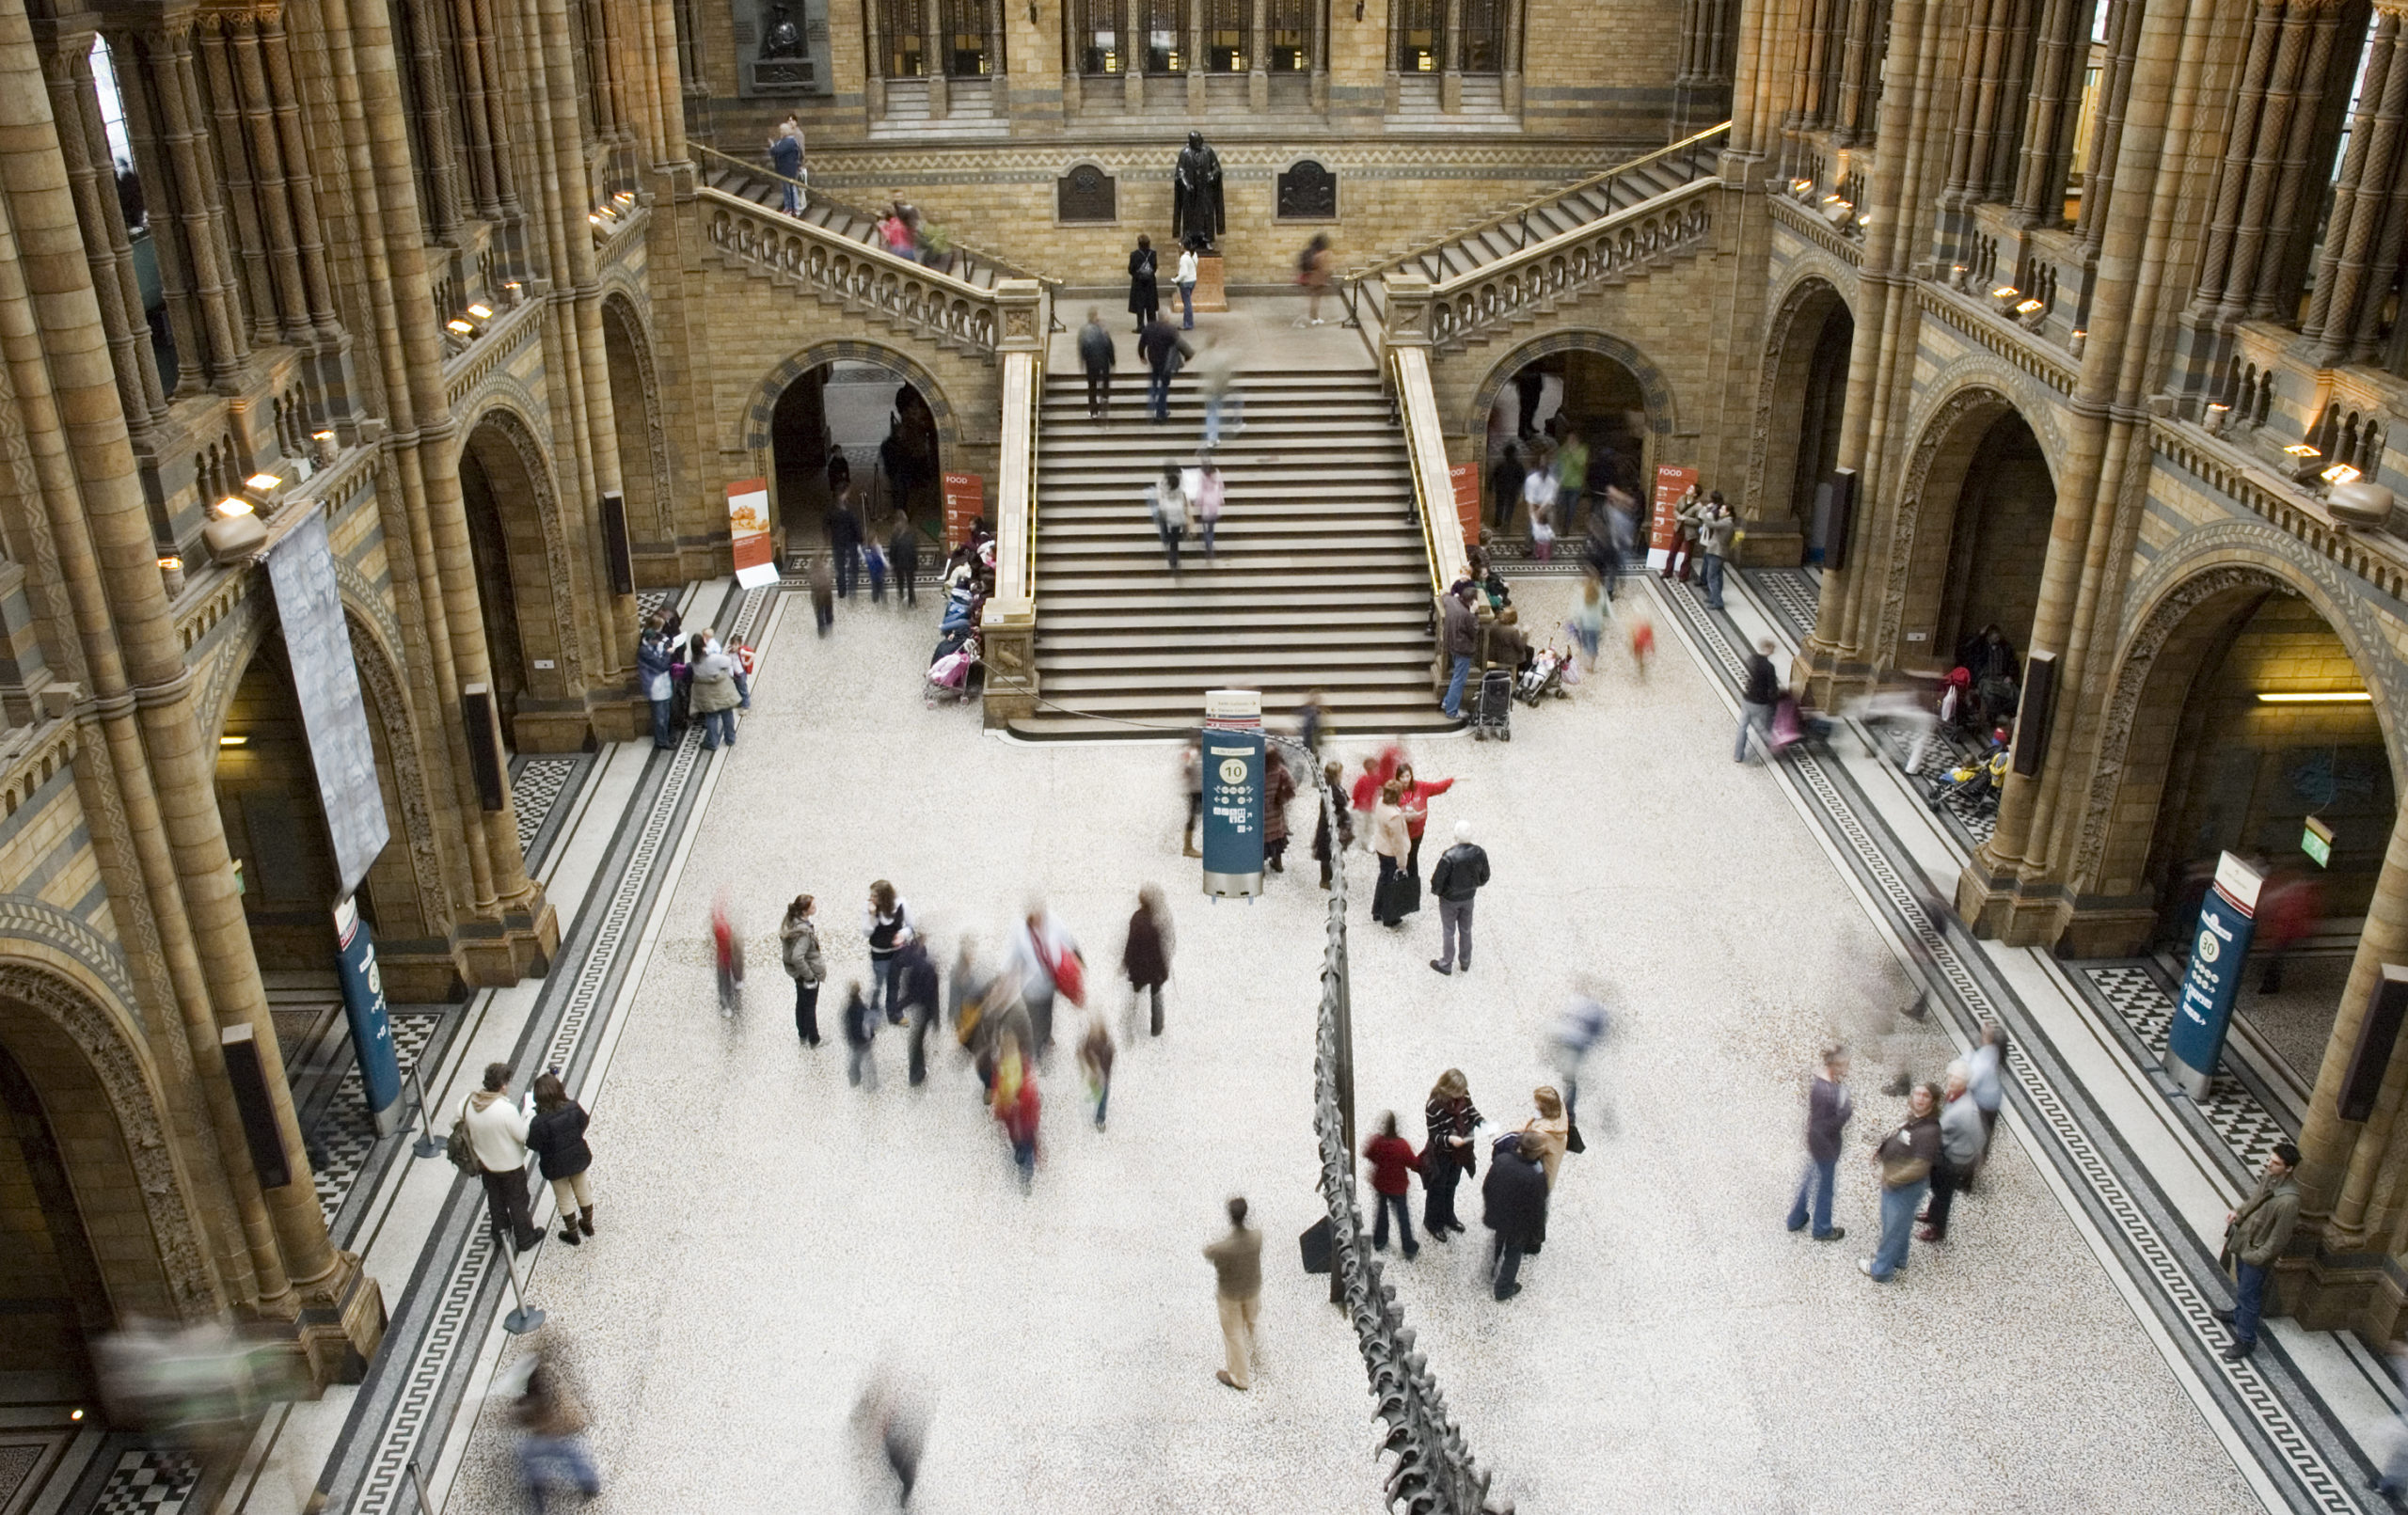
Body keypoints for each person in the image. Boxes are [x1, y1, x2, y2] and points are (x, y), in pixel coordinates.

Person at [2217, 1143, 2302, 1360]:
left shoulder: (2289, 1201)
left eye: (2275, 1163)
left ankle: (2246, 1340)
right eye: (2270, 1160)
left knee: (2250, 1295)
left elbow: (2279, 1238)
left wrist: (2257, 1257)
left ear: (2289, 1168)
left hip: (2256, 1253)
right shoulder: (2270, 1178)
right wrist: (2239, 1212)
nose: (2269, 1164)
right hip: (2246, 1241)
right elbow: (2255, 1199)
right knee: (2243, 1287)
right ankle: (2238, 1315)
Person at [1861, 1081, 1941, 1282]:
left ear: (1933, 1102)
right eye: (1917, 1094)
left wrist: (1892, 1179)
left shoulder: (1930, 1131)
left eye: (1925, 1096)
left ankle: (1881, 1269)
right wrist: (1882, 1151)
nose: (1919, 1098)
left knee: (1893, 1227)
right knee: (1901, 1224)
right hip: (1899, 1184)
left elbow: (1920, 1166)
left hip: (1904, 1187)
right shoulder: (1915, 1120)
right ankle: (1899, 1258)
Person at [464, 1063, 544, 1253]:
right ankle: (525, 1238)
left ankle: (500, 1233)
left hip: (485, 1164)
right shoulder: (505, 1110)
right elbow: (522, 1135)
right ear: (503, 1086)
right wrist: (529, 1116)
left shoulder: (469, 1102)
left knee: (496, 1198)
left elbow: (456, 1122)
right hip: (510, 1165)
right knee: (518, 1200)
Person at [513, 1348, 601, 1510]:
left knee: (531, 1456)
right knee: (574, 1457)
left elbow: (541, 1417)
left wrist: (523, 1409)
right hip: (570, 1429)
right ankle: (589, 1484)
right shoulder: (550, 1375)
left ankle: (538, 1498)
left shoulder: (540, 1389)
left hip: (558, 1433)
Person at [1784, 1044, 1852, 1243]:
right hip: (1826, 1146)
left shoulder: (1821, 1083)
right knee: (1825, 1188)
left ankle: (1796, 1218)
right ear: (1836, 1065)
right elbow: (1829, 1123)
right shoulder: (1829, 1091)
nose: (1847, 1069)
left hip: (1817, 1142)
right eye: (1845, 1065)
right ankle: (1822, 1228)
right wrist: (1846, 1109)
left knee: (1810, 1178)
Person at [527, 1073, 594, 1247]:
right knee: (582, 1189)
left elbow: (533, 1144)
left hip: (554, 1166)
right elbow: (584, 1121)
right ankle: (587, 1224)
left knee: (563, 1197)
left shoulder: (538, 1122)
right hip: (577, 1157)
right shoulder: (572, 1107)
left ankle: (572, 1234)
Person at [1919, 1061, 1984, 1242]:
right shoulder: (1954, 1096)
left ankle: (1938, 1229)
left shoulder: (1967, 1110)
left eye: (1957, 1078)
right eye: (1951, 1077)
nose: (1952, 1081)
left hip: (1953, 1160)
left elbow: (1978, 1137)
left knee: (1943, 1194)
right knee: (1938, 1189)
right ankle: (1932, 1214)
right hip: (1946, 1152)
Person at [1203, 1196, 1263, 1389]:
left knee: (1233, 1334)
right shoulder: (1257, 1237)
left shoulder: (1223, 1249)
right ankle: (1256, 1353)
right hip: (1252, 1289)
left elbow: (1208, 1253)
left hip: (1230, 1295)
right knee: (1252, 1322)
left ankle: (1239, 1377)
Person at [1482, 1130, 1548, 1301]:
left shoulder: (1501, 1160)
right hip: (1519, 1224)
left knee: (1499, 1238)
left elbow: (1487, 1187)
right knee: (1514, 1252)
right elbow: (1538, 1207)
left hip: (1499, 1214)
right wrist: (1538, 1232)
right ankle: (1503, 1288)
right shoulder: (1536, 1176)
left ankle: (1494, 1261)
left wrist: (1491, 1208)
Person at [1008, 906, 1082, 1056]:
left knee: (1043, 1015)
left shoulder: (1049, 926)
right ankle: (1040, 1048)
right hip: (1037, 988)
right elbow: (1013, 962)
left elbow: (1069, 942)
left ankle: (1045, 1039)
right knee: (1040, 1018)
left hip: (1042, 986)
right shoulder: (1026, 934)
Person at [1422, 1069, 1481, 1237]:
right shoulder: (1433, 1106)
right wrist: (1449, 1139)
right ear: (1447, 1089)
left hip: (1460, 1152)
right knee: (1437, 1189)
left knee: (1452, 1184)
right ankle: (1433, 1223)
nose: (1462, 1094)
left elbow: (1471, 1111)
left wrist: (1481, 1122)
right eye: (1458, 1091)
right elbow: (1433, 1135)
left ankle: (1449, 1216)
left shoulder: (1463, 1095)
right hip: (1442, 1154)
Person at [1428, 819, 1488, 976]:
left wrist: (1438, 892)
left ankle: (1446, 963)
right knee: (1466, 929)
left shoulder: (1449, 856)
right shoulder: (1479, 853)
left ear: (1455, 836)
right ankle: (1465, 961)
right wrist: (1475, 885)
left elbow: (1438, 880)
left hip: (1449, 899)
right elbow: (1485, 875)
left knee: (1449, 931)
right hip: (1469, 897)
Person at [1362, 1112, 1421, 1257]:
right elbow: (1413, 1163)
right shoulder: (1402, 1146)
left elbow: (1367, 1153)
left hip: (1381, 1183)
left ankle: (1380, 1240)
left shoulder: (1377, 1142)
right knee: (1403, 1215)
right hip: (1399, 1187)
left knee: (1381, 1212)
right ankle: (1408, 1245)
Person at [1120, 886, 1173, 1036]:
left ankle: (1128, 1023)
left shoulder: (1137, 918)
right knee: (1156, 995)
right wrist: (1166, 965)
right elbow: (1167, 943)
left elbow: (1131, 944)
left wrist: (1125, 962)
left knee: (1135, 994)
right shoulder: (1160, 918)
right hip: (1156, 966)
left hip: (1139, 967)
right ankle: (1157, 1027)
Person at [894, 929, 941, 1085]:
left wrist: (899, 1004)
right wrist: (936, 1018)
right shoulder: (928, 967)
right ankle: (917, 1074)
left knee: (916, 1042)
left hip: (919, 1007)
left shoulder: (912, 965)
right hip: (925, 1008)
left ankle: (917, 1073)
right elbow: (934, 994)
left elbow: (910, 992)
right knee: (917, 1042)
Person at [1394, 762, 1455, 878]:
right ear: (1398, 778)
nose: (1405, 779)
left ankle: (1412, 882)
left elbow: (1437, 787)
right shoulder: (1394, 791)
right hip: (1400, 833)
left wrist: (1452, 781)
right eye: (1402, 777)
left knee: (1412, 858)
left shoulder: (1421, 787)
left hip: (1416, 834)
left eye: (1408, 776)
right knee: (1399, 856)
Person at [780, 894, 826, 1047]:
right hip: (807, 973)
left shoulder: (792, 921)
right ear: (805, 911)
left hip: (797, 974)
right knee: (810, 1006)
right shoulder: (804, 933)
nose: (815, 908)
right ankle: (814, 1039)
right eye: (812, 907)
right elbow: (797, 957)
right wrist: (810, 977)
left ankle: (803, 1033)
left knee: (801, 1002)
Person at [863, 880, 911, 1021]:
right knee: (877, 985)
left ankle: (894, 1013)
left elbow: (910, 926)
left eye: (875, 896)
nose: (871, 899)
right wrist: (872, 916)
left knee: (894, 985)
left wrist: (902, 934)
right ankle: (873, 1012)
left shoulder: (900, 905)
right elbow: (866, 931)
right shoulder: (869, 908)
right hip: (879, 954)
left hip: (896, 953)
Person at [1370, 780, 1415, 928]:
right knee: (1391, 885)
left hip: (1381, 846)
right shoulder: (1393, 816)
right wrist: (1402, 864)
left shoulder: (1380, 802)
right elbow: (1398, 843)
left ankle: (1377, 910)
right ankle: (1390, 916)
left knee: (1383, 878)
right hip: (1391, 852)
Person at [689, 639, 741, 750]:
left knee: (711, 717)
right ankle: (730, 739)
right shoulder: (713, 658)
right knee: (727, 714)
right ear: (704, 646)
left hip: (706, 693)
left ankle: (713, 742)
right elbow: (728, 661)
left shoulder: (694, 659)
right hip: (721, 690)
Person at [1519, 1085, 1572, 1190]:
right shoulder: (1559, 1113)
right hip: (1549, 1173)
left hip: (1539, 1181)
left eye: (1537, 1104)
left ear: (1545, 1108)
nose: (1535, 1105)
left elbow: (1526, 1148)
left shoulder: (1542, 1133)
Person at [1311, 759, 1353, 891]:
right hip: (1329, 830)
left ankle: (1333, 874)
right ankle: (1325, 880)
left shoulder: (1336, 787)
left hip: (1335, 828)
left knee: (1333, 853)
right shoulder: (1329, 792)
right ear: (1336, 775)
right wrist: (1346, 811)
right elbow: (1331, 814)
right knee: (1327, 856)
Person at [1737, 637, 1781, 764]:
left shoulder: (1752, 659)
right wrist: (1774, 702)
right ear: (1768, 648)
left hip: (1747, 699)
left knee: (1742, 727)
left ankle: (1737, 755)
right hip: (1760, 703)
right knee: (1760, 730)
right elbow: (1772, 688)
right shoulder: (1769, 667)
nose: (1773, 651)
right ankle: (1750, 758)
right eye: (1772, 648)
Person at [1193, 336, 1242, 445]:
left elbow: (1198, 369)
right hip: (1217, 389)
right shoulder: (1219, 357)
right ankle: (1236, 423)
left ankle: (1212, 438)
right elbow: (1226, 373)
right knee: (1234, 401)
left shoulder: (1203, 356)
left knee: (1212, 413)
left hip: (1207, 390)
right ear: (1215, 343)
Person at [1440, 580, 1479, 719]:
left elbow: (1444, 596)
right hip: (1463, 648)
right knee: (1459, 679)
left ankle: (1447, 701)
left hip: (1451, 644)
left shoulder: (1452, 602)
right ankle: (1451, 710)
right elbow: (1474, 631)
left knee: (1456, 677)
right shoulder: (1467, 615)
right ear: (1472, 601)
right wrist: (1473, 613)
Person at [1139, 312, 1186, 425]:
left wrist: (1142, 356)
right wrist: (1188, 355)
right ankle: (1161, 413)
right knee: (1164, 387)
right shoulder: (1170, 329)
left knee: (1154, 384)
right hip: (1165, 363)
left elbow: (1142, 343)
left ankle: (1152, 409)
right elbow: (1180, 344)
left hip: (1153, 361)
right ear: (1166, 318)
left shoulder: (1149, 327)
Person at [636, 616, 674, 749]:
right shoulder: (644, 652)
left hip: (664, 684)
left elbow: (665, 643)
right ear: (649, 640)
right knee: (660, 718)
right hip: (655, 687)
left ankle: (666, 737)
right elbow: (661, 666)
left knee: (666, 714)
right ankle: (661, 741)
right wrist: (667, 653)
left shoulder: (654, 645)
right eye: (656, 641)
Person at [827, 458, 863, 599]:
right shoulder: (849, 510)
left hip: (837, 542)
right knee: (852, 565)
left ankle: (842, 591)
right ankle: (851, 589)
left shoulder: (832, 509)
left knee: (840, 566)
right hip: (850, 541)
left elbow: (826, 523)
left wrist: (828, 536)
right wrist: (860, 539)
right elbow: (856, 525)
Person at [1695, 491, 1735, 610]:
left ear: (1727, 512)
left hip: (1717, 552)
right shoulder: (1726, 521)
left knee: (1712, 577)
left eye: (1722, 510)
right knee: (1717, 576)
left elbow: (1710, 524)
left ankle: (1718, 602)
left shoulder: (1726, 523)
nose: (1720, 511)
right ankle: (1714, 597)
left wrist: (1703, 511)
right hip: (1714, 550)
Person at [1149, 460, 1186, 574]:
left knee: (1164, 529)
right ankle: (1173, 561)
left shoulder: (1161, 482)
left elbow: (1159, 496)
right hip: (1177, 511)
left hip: (1165, 509)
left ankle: (1165, 540)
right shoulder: (1179, 481)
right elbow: (1182, 496)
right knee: (1175, 538)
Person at [1078, 1015, 1116, 1129]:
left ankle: (1100, 1118)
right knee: (1101, 1095)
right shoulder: (1089, 1044)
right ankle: (1100, 1118)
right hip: (1096, 1076)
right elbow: (1081, 1053)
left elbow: (1110, 1060)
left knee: (1103, 1098)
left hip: (1102, 1077)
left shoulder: (1106, 1047)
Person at [1078, 307, 1116, 419]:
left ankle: (1093, 410)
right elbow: (1109, 346)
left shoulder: (1084, 330)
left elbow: (1083, 348)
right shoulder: (1103, 329)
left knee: (1092, 387)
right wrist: (1112, 361)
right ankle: (1105, 397)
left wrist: (1083, 361)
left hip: (1091, 363)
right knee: (1105, 381)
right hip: (1103, 362)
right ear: (1095, 317)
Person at [841, 981, 879, 1089]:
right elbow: (868, 1026)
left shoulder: (848, 1009)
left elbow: (846, 1024)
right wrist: (871, 1036)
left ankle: (854, 1080)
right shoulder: (863, 1009)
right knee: (869, 1062)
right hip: (864, 1041)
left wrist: (848, 1037)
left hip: (854, 1041)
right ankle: (872, 1085)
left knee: (855, 1060)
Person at [710, 894, 743, 1016]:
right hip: (724, 959)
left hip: (725, 958)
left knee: (724, 982)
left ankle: (726, 1005)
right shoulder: (723, 927)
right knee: (724, 982)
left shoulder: (721, 922)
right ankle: (725, 1004)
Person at [1192, 449, 1226, 558]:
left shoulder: (1201, 475)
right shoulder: (1217, 472)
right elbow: (1221, 487)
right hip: (1214, 502)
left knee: (1205, 526)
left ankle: (1208, 545)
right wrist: (1221, 500)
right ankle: (1210, 544)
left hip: (1206, 503)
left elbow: (1200, 490)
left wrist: (1197, 502)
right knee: (1211, 526)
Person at [768, 116, 802, 214]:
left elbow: (777, 151)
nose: (780, 132)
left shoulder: (789, 141)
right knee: (785, 188)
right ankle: (788, 207)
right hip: (783, 169)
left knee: (791, 188)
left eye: (782, 130)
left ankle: (794, 208)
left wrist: (772, 146)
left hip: (789, 169)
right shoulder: (783, 141)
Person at [1297, 232, 1332, 325]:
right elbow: (1324, 267)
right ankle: (1314, 317)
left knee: (1315, 298)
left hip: (1314, 278)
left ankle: (1314, 316)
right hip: (1319, 278)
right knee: (1316, 298)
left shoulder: (1315, 254)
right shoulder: (1322, 255)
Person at [1127, 233, 1159, 333]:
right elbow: (1154, 267)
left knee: (1140, 305)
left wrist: (1137, 275)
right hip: (1150, 283)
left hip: (1138, 283)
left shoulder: (1134, 254)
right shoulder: (1153, 253)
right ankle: (1152, 326)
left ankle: (1140, 326)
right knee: (1151, 305)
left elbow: (1131, 269)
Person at [888, 511, 920, 608]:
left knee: (902, 582)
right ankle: (911, 600)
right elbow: (914, 549)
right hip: (907, 561)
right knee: (909, 582)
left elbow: (892, 549)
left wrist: (892, 561)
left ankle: (904, 598)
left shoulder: (895, 534)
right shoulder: (911, 533)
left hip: (900, 562)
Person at [1180, 734, 1204, 857]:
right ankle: (1188, 847)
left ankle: (1188, 846)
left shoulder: (1204, 751)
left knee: (1197, 817)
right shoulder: (1193, 753)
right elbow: (1186, 771)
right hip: (1196, 790)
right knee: (1193, 817)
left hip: (1202, 789)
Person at [807, 550, 834, 636]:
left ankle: (821, 630)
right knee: (827, 609)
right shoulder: (826, 567)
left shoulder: (811, 568)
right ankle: (829, 622)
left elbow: (811, 580)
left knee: (819, 612)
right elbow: (830, 578)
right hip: (826, 592)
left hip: (817, 594)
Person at [1176, 236, 1199, 329]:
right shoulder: (1194, 255)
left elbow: (1183, 273)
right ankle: (1188, 323)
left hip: (1185, 282)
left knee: (1187, 304)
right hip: (1193, 279)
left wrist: (1176, 279)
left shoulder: (1184, 258)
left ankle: (1188, 324)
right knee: (1188, 302)